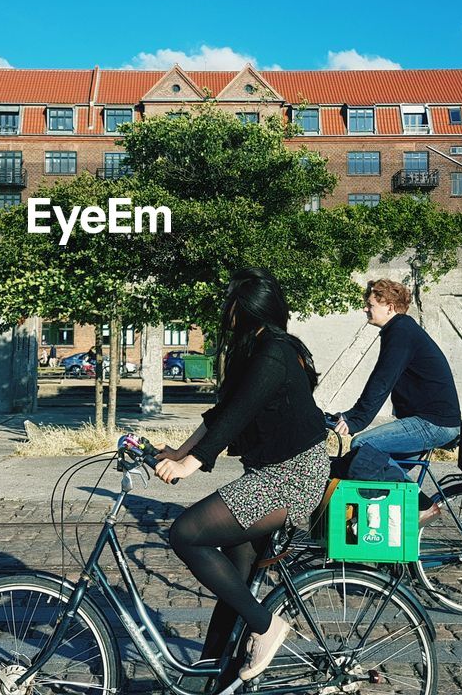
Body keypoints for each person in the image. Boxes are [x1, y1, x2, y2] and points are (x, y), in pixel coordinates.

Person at [153, 268, 329, 683]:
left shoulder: (274, 353)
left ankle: (267, 627)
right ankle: (209, 676)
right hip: (271, 473)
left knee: (186, 534)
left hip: (292, 477)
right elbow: (220, 414)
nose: (224, 309)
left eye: (229, 302)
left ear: (246, 308)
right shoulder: (255, 348)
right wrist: (177, 452)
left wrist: (189, 465)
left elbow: (237, 417)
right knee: (234, 581)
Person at [331, 279, 461, 490]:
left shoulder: (401, 331)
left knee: (363, 446)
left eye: (371, 304)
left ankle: (423, 505)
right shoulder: (400, 329)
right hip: (429, 421)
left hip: (433, 423)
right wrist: (351, 414)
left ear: (389, 307)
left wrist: (356, 419)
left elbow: (382, 381)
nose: (365, 308)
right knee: (373, 476)